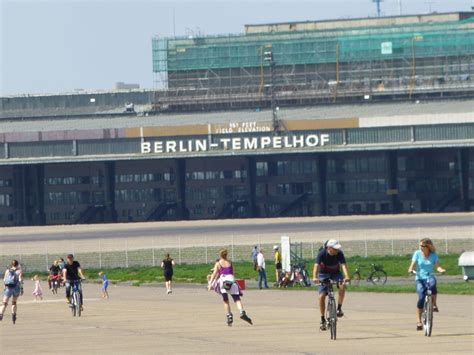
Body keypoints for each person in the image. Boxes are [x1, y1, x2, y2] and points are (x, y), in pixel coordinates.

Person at [408, 238, 446, 331]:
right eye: (420, 245)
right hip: (419, 278)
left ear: (428, 246)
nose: (421, 247)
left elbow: (438, 266)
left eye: (423, 246)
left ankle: (434, 304)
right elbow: (412, 264)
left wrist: (441, 270)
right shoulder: (417, 253)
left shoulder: (433, 255)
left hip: (429, 276)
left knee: (432, 285)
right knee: (421, 297)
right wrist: (411, 269)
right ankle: (419, 321)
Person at [208, 249, 253, 326]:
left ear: (220, 255)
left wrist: (210, 284)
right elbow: (233, 272)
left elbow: (214, 274)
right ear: (226, 255)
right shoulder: (230, 262)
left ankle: (229, 316)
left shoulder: (218, 263)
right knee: (237, 299)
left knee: (226, 301)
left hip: (223, 283)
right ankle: (242, 313)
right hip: (231, 282)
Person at [312, 240, 350, 331]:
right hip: (323, 274)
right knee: (321, 296)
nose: (337, 250)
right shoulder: (322, 253)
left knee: (342, 285)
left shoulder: (339, 253)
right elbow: (316, 266)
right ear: (329, 248)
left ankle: (339, 308)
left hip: (336, 273)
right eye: (335, 248)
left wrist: (347, 276)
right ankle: (322, 319)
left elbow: (344, 265)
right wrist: (314, 277)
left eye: (337, 248)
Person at [1, 260, 23, 324]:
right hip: (16, 288)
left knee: (4, 303)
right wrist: (21, 289)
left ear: (11, 264)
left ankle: (1, 314)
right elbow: (20, 280)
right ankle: (13, 316)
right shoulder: (19, 271)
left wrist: (5, 287)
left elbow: (4, 280)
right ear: (17, 264)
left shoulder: (7, 271)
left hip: (8, 288)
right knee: (14, 302)